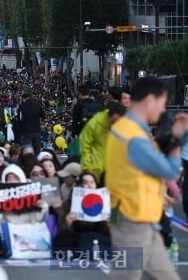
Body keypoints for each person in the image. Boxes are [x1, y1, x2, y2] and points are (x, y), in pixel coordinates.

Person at [105, 76, 188, 280]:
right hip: (132, 223)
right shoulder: (135, 138)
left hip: (139, 219)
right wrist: (178, 140)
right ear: (149, 101)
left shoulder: (125, 129)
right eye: (162, 103)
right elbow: (169, 170)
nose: (162, 110)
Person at [80, 95, 127, 184]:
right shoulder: (94, 124)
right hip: (95, 172)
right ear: (108, 115)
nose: (115, 125)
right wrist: (87, 168)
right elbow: (84, 147)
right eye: (113, 121)